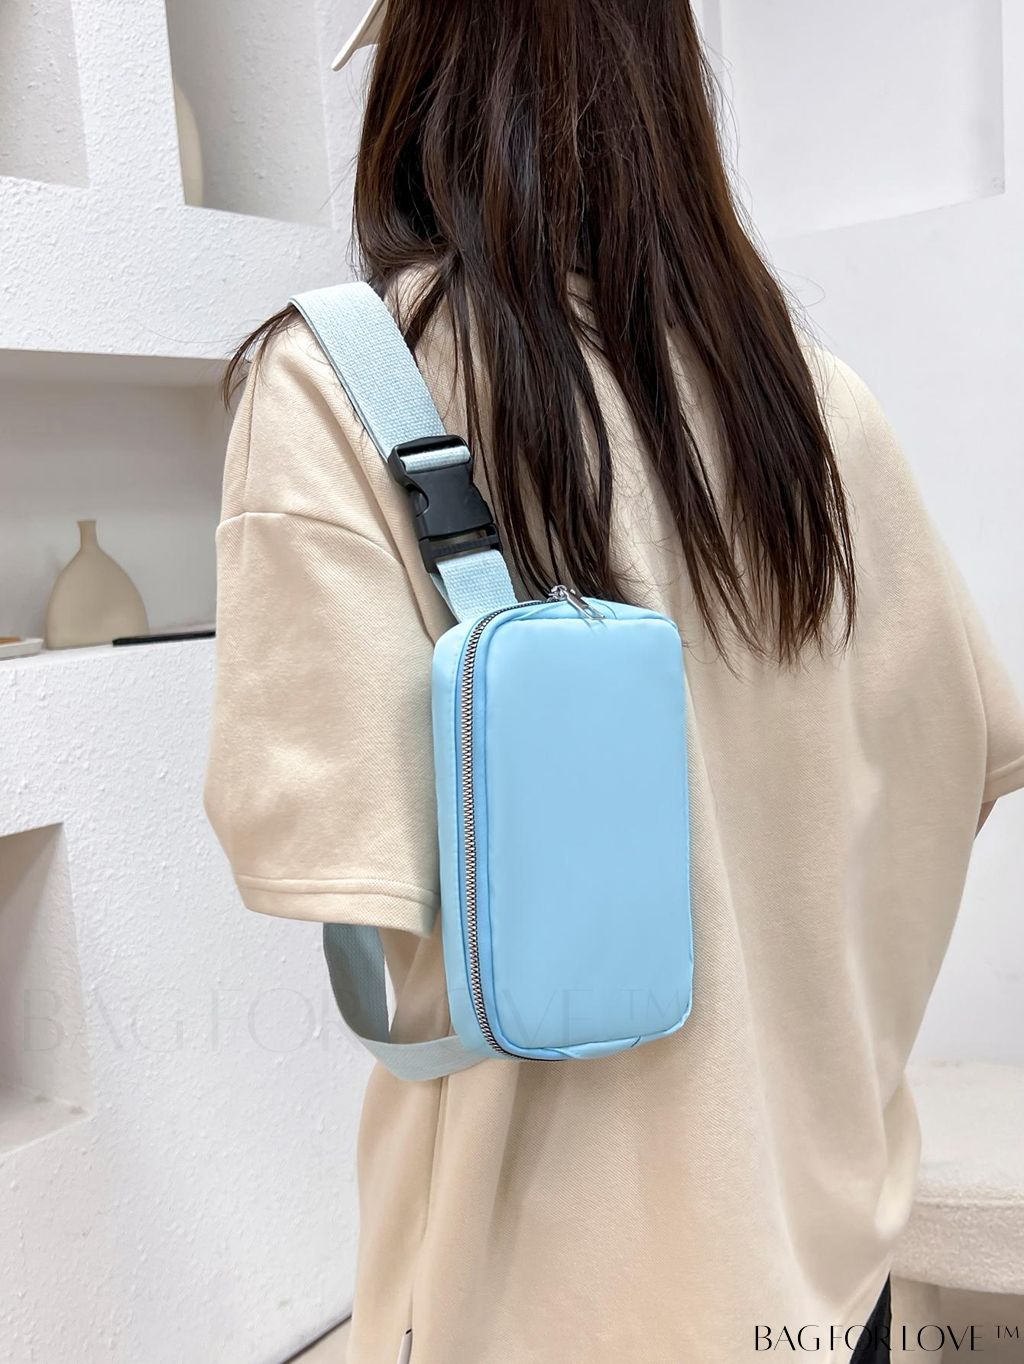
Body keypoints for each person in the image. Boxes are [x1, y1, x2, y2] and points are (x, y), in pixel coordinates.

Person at [203, 3, 1024, 1362]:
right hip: (825, 1274)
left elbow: (336, 876)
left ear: (420, 68)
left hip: (544, 1303)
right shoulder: (815, 408)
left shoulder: (342, 387)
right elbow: (968, 759)